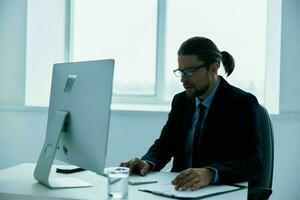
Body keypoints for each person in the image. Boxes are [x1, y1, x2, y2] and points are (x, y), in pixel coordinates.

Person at [120, 36, 262, 191]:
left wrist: (210, 173)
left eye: (190, 71)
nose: (183, 80)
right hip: (180, 189)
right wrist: (147, 162)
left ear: (213, 68)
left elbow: (253, 163)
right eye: (181, 72)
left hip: (219, 190)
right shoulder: (181, 101)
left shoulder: (241, 103)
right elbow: (165, 145)